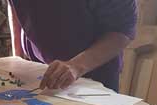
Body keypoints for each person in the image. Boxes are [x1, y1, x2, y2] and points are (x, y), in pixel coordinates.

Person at [8, 0, 138, 92]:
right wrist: (17, 57)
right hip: (38, 70)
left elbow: (122, 31)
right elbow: (15, 7)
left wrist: (76, 66)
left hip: (92, 74)